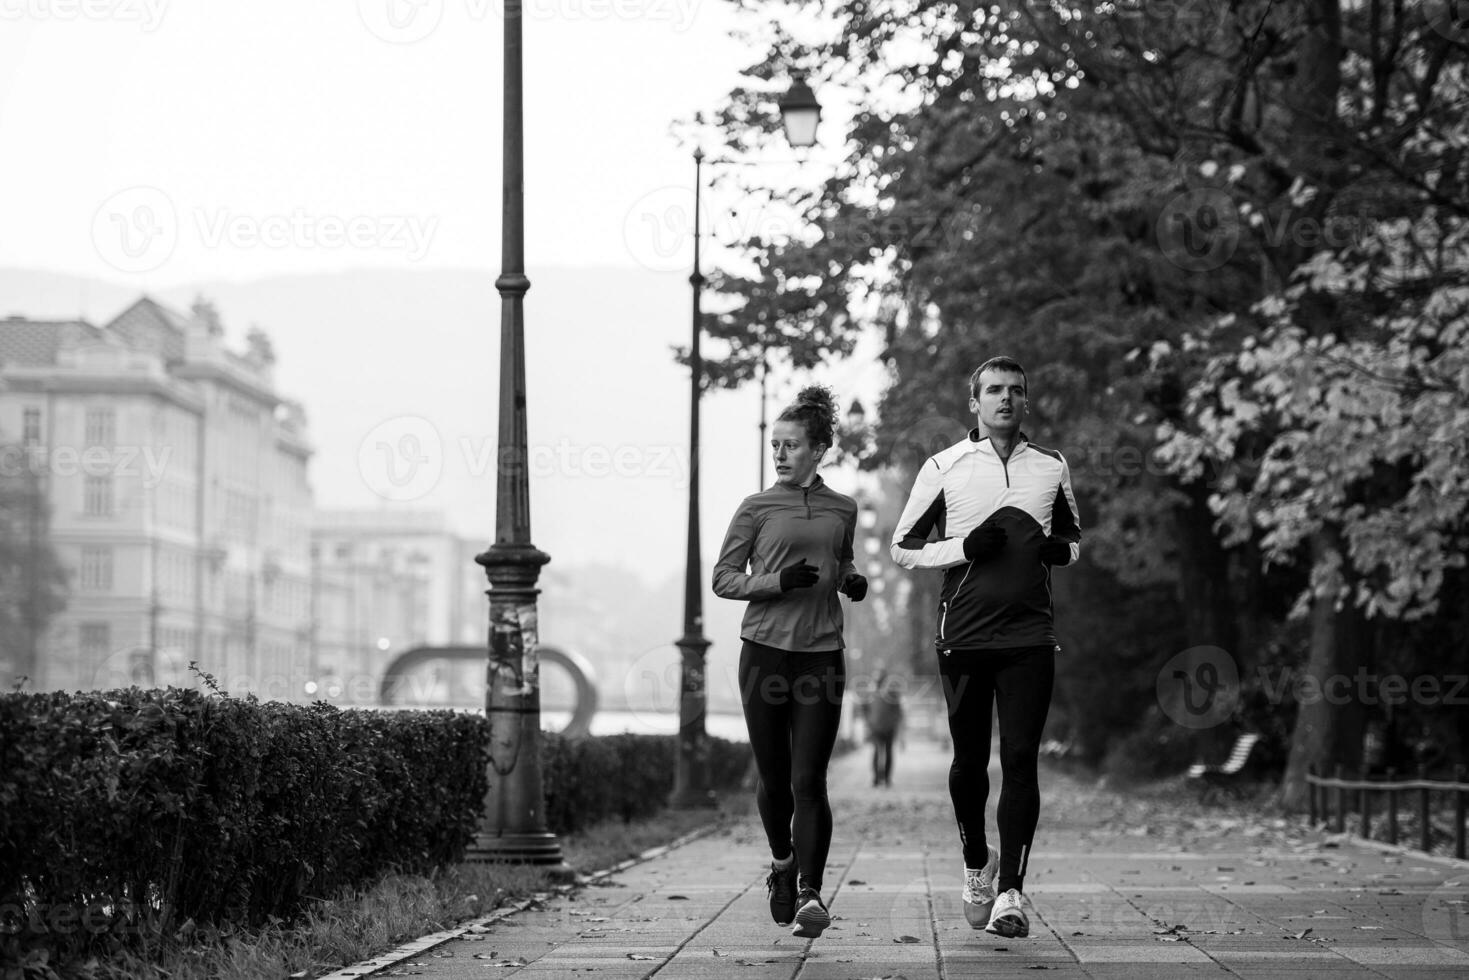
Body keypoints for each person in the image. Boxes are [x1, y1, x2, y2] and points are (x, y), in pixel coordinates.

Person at [889, 355, 1080, 939]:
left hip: (1029, 637)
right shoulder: (944, 466)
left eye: (1015, 391)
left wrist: (1060, 553)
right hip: (964, 638)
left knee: (1021, 760)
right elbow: (903, 547)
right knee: (970, 763)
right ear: (974, 403)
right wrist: (965, 546)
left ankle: (1011, 894)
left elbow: (1073, 537)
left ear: (1026, 402)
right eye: (993, 391)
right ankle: (977, 863)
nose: (1005, 399)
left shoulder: (1051, 467)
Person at [712, 384, 867, 940]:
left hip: (821, 656)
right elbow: (723, 578)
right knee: (775, 779)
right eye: (774, 445)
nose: (778, 453)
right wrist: (776, 582)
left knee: (810, 780)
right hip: (764, 656)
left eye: (791, 445)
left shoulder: (842, 508)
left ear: (819, 448)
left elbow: (841, 559)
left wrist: (851, 580)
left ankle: (809, 891)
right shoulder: (755, 508)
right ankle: (782, 864)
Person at [863, 670, 904, 787]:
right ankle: (876, 778)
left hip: (889, 729)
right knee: (876, 752)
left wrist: (893, 723)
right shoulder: (870, 694)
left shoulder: (892, 693)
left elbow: (898, 711)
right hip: (875, 729)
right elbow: (864, 709)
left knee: (888, 752)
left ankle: (886, 778)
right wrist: (869, 722)